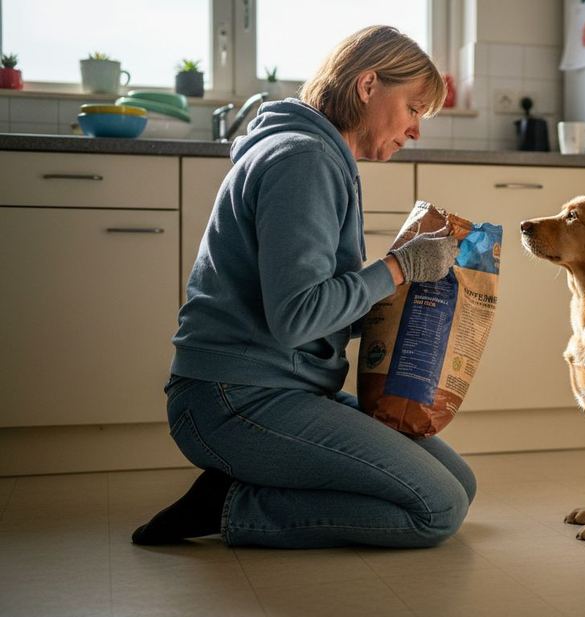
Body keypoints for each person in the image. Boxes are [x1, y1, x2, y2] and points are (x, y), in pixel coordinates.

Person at [132, 26, 475, 549]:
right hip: (234, 398)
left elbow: (313, 305)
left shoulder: (318, 155)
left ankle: (261, 475)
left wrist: (401, 302)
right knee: (436, 510)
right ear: (367, 86)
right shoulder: (305, 160)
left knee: (461, 486)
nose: (415, 132)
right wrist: (398, 268)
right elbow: (298, 316)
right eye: (412, 109)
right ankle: (230, 505)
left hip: (282, 385)